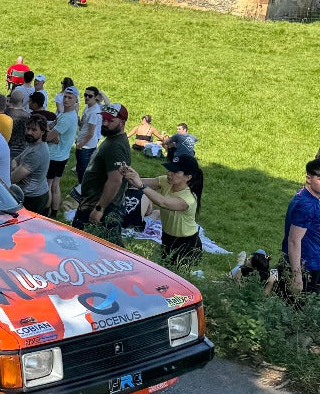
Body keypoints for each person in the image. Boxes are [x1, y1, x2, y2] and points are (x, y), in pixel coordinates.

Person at [122, 154, 203, 265]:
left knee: (177, 275)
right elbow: (138, 182)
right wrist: (128, 174)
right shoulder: (166, 181)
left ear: (188, 177)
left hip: (185, 244)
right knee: (164, 268)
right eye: (169, 170)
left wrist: (140, 185)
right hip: (167, 237)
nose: (169, 173)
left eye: (175, 172)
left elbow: (162, 202)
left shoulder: (188, 199)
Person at [72, 102, 131, 244]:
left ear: (122, 122)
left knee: (90, 248)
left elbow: (115, 181)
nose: (105, 123)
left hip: (100, 208)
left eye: (110, 121)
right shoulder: (113, 140)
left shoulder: (115, 147)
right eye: (103, 119)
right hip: (97, 204)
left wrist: (99, 208)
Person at [282, 157, 320, 297]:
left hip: (313, 262)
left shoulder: (306, 197)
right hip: (308, 268)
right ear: (309, 178)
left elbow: (311, 232)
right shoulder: (307, 205)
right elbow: (293, 240)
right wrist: (297, 276)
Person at [47, 90, 79, 217]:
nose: (66, 100)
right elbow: (51, 128)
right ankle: (54, 212)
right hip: (62, 155)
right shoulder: (66, 114)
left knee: (48, 185)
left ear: (75, 100)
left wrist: (50, 134)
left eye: (69, 97)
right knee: (55, 184)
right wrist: (51, 132)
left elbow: (48, 136)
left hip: (54, 155)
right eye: (65, 97)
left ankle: (45, 211)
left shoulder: (67, 117)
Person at [11, 117, 51, 214]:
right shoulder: (32, 144)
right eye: (28, 128)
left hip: (33, 199)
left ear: (42, 131)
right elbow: (15, 160)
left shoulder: (36, 153)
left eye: (33, 130)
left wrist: (17, 171)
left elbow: (13, 178)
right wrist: (17, 168)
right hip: (35, 194)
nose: (29, 132)